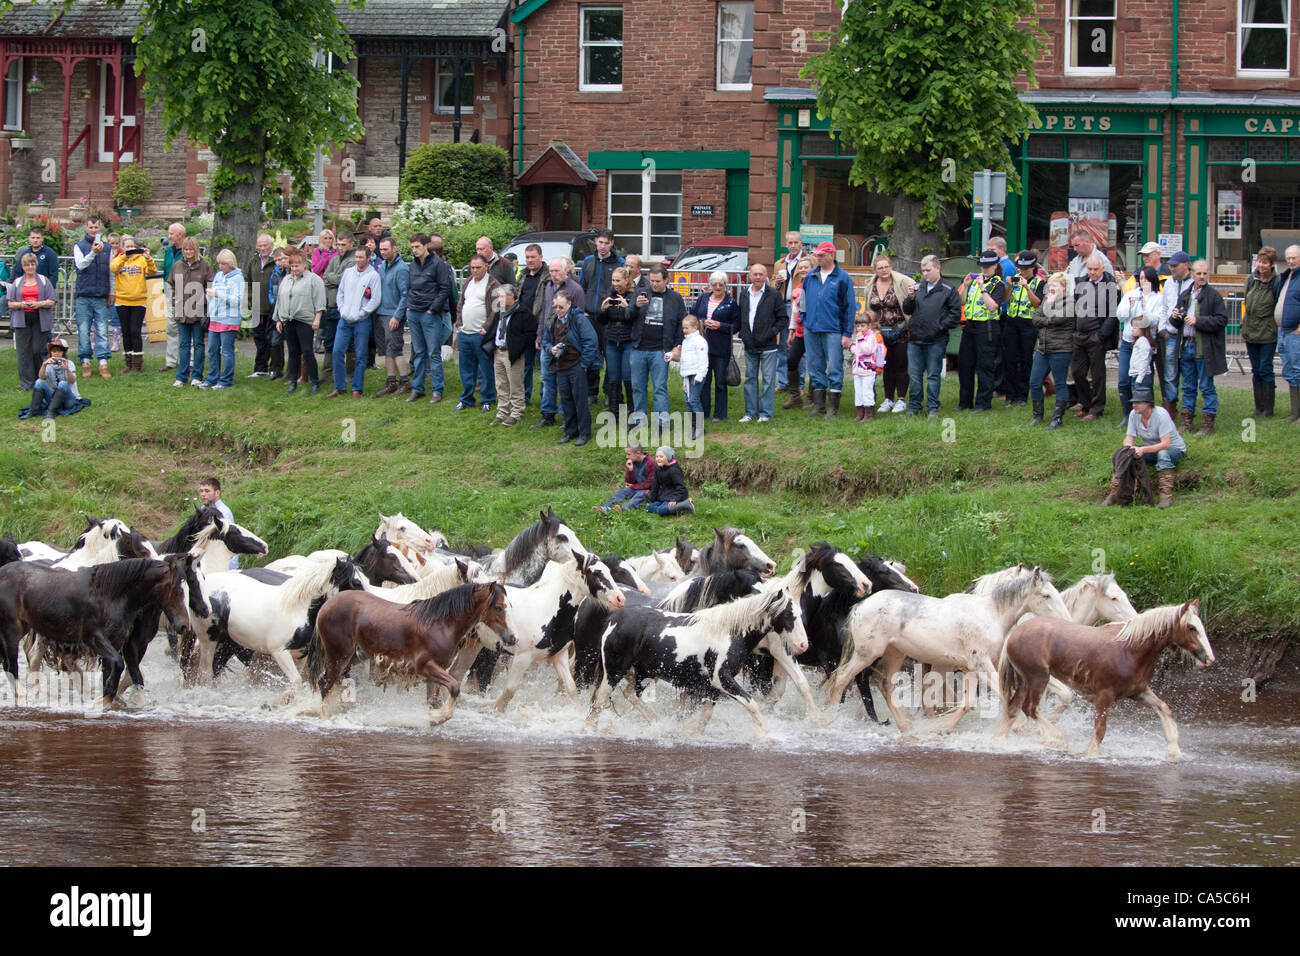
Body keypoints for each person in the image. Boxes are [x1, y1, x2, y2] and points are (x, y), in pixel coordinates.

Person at [1170, 259, 1228, 437]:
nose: (1202, 277)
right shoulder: (1186, 294)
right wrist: (1174, 316)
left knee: (1206, 386)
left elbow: (1221, 320)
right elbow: (1175, 322)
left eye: (1205, 274)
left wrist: (1198, 321)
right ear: (1192, 274)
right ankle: (1187, 423)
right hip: (1186, 344)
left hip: (1204, 348)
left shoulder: (1214, 296)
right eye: (1199, 273)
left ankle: (1207, 425)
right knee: (1187, 386)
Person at [801, 242, 856, 418]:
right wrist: (806, 321)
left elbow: (849, 308)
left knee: (834, 368)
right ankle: (819, 406)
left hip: (833, 330)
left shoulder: (843, 278)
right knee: (815, 367)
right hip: (812, 330)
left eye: (821, 255)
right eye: (817, 255)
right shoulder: (810, 276)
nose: (818, 257)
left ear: (832, 255)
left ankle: (833, 408)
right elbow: (802, 303)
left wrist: (847, 334)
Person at [903, 254, 961, 418]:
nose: (925, 273)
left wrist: (939, 326)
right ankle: (914, 407)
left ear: (937, 268)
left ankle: (933, 408)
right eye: (922, 270)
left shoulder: (949, 289)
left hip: (936, 339)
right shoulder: (918, 287)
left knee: (933, 375)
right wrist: (910, 298)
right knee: (914, 375)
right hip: (915, 338)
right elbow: (907, 309)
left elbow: (955, 315)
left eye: (928, 270)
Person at [1105, 395, 1186, 509]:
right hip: (1151, 448)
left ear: (1148, 404)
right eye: (1133, 402)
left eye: (1137, 402)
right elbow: (1129, 437)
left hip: (1173, 449)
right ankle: (1115, 493)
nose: (1134, 405)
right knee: (1125, 455)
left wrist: (1142, 449)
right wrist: (1129, 449)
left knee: (1163, 453)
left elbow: (1165, 444)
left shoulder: (1161, 415)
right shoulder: (1134, 414)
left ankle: (1165, 496)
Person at [530, 257, 584, 428]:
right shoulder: (548, 287)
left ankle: (566, 414)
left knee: (565, 382)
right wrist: (540, 336)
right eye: (551, 271)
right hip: (548, 341)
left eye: (556, 271)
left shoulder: (575, 290)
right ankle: (548, 414)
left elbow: (580, 318)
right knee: (547, 378)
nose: (553, 274)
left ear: (565, 270)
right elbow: (545, 313)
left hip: (566, 344)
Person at [543, 289, 599, 446]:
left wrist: (584, 364)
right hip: (561, 365)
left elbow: (591, 341)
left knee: (580, 400)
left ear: (569, 304)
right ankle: (570, 431)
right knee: (566, 399)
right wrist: (550, 349)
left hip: (576, 365)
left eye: (561, 307)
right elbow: (546, 340)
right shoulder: (553, 320)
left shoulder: (579, 319)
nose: (558, 310)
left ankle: (584, 433)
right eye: (555, 307)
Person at [404, 232, 454, 405]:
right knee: (418, 352)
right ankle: (417, 389)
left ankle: (437, 390)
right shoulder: (412, 265)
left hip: (429, 314)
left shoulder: (438, 264)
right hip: (414, 312)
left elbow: (444, 289)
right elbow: (408, 287)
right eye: (412, 247)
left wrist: (432, 310)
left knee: (433, 353)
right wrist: (409, 306)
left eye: (417, 246)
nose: (415, 250)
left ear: (426, 246)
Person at [735, 263, 787, 423]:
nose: (757, 277)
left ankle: (765, 413)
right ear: (750, 276)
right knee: (750, 379)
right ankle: (750, 413)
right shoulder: (744, 294)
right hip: (750, 345)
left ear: (766, 276)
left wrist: (771, 333)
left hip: (768, 345)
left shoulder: (774, 295)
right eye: (755, 274)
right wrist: (743, 334)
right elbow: (741, 316)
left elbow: (782, 318)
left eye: (761, 274)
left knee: (768, 380)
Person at [957, 250, 1008, 412]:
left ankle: (983, 402)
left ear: (994, 266)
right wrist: (965, 286)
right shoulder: (974, 281)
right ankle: (965, 401)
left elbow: (993, 306)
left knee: (985, 366)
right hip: (970, 326)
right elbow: (962, 301)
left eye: (987, 266)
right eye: (982, 266)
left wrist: (982, 288)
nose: (984, 269)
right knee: (965, 365)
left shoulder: (998, 284)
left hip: (987, 328)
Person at [1069, 252, 1117, 421]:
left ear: (1102, 268)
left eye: (1096, 269)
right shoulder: (1081, 283)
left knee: (1097, 375)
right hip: (1079, 335)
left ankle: (1096, 409)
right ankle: (1085, 402)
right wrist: (1074, 330)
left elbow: (1112, 314)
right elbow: (1074, 305)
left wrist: (1101, 335)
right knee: (1077, 372)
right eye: (1089, 269)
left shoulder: (1109, 285)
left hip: (1096, 335)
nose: (1092, 272)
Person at [1117, 266, 1166, 428]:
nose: (1143, 281)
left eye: (1146, 278)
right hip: (1128, 341)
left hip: (1145, 342)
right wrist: (1130, 305)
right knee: (1123, 380)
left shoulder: (1158, 298)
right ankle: (1126, 415)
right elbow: (1121, 315)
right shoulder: (1131, 294)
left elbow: (1153, 320)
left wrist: (1144, 306)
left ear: (1152, 280)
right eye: (1141, 278)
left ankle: (1144, 415)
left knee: (1141, 380)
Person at [331, 247, 384, 399]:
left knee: (361, 354)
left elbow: (375, 299)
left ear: (368, 258)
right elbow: (340, 292)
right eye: (356, 257)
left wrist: (363, 312)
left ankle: (357, 388)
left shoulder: (373, 276)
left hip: (362, 321)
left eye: (361, 257)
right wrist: (342, 309)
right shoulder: (348, 272)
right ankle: (339, 386)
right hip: (345, 318)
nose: (358, 260)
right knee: (337, 351)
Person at [579, 227, 623, 407]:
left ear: (612, 243)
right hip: (589, 316)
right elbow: (582, 287)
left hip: (610, 318)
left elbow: (623, 288)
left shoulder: (619, 262)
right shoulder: (588, 261)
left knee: (611, 357)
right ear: (595, 241)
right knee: (590, 354)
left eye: (606, 243)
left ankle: (609, 392)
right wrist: (582, 309)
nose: (603, 246)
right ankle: (591, 391)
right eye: (600, 242)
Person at [273, 248, 326, 395]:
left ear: (304, 265)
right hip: (289, 320)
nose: (294, 269)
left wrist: (317, 318)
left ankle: (314, 382)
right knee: (293, 353)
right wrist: (278, 318)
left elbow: (320, 301)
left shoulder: (313, 280)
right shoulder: (286, 280)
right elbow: (280, 300)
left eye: (297, 266)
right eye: (292, 266)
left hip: (305, 320)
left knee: (307, 351)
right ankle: (292, 382)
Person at [483, 284, 537, 426]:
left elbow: (531, 334)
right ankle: (502, 411)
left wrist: (518, 347)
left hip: (512, 353)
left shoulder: (523, 313)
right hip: (498, 352)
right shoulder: (500, 312)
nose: (499, 299)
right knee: (501, 383)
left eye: (501, 296)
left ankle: (517, 411)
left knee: (515, 384)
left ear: (511, 296)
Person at [866, 255, 914, 414]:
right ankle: (888, 399)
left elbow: (912, 301)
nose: (884, 270)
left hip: (901, 330)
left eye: (886, 267)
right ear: (875, 270)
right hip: (881, 333)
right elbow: (871, 309)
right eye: (880, 268)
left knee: (901, 365)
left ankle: (901, 399)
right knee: (885, 366)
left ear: (891, 267)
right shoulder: (870, 285)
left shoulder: (902, 281)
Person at [689, 270, 738, 422]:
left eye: (721, 285)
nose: (717, 287)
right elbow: (693, 315)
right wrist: (703, 322)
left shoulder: (731, 302)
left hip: (721, 347)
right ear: (710, 285)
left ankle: (720, 413)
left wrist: (720, 325)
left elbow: (736, 325)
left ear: (725, 286)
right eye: (714, 284)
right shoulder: (703, 298)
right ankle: (703, 411)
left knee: (720, 382)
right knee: (704, 380)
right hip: (702, 347)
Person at [1028, 272, 1075, 429]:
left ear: (1064, 287)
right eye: (1050, 286)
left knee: (1060, 384)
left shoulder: (1070, 302)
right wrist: (1046, 319)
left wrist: (1047, 317)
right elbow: (1035, 318)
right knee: (1034, 382)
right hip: (1042, 348)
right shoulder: (1047, 300)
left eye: (1054, 286)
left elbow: (1057, 319)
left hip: (1061, 349)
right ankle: (1038, 416)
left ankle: (1057, 419)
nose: (1051, 289)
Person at [455, 254, 500, 411]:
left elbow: (495, 310)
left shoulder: (493, 284)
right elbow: (461, 304)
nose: (474, 270)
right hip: (465, 333)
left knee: (486, 369)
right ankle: (466, 398)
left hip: (481, 335)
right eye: (472, 268)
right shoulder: (468, 282)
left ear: (486, 266)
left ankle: (488, 399)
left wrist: (485, 329)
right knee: (466, 369)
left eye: (478, 267)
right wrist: (459, 325)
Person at [167, 236, 214, 388]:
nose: (188, 252)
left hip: (199, 312)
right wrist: (175, 300)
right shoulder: (177, 265)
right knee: (184, 344)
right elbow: (170, 284)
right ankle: (181, 377)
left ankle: (197, 376)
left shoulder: (205, 265)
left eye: (191, 249)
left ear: (196, 249)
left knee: (199, 344)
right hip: (181, 312)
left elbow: (211, 286)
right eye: (185, 249)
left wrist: (204, 302)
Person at [72, 216, 113, 381]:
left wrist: (112, 291)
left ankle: (103, 362)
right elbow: (80, 265)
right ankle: (85, 361)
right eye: (91, 227)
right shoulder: (79, 246)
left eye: (96, 228)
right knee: (83, 329)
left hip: (101, 294)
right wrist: (92, 253)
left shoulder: (108, 247)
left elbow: (111, 272)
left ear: (100, 229)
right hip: (84, 294)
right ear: (86, 228)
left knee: (102, 330)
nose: (93, 230)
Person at [8, 253, 57, 390]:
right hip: (22, 319)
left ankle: (39, 380)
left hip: (40, 319)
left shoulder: (43, 280)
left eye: (32, 264)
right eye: (27, 265)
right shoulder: (17, 282)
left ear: (36, 265)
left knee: (37, 350)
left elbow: (52, 300)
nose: (30, 267)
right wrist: (22, 304)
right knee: (24, 353)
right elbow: (11, 303)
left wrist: (39, 304)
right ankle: (26, 384)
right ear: (23, 266)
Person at [1002, 251, 1044, 408]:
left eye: (1025, 269)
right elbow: (1005, 300)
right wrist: (1009, 287)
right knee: (1010, 358)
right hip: (1012, 321)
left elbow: (1036, 303)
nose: (1021, 271)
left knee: (1026, 359)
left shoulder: (1039, 283)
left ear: (1032, 268)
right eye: (1019, 268)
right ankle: (1010, 394)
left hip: (1028, 324)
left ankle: (1022, 395)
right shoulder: (1015, 279)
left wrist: (1026, 287)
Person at [109, 237, 156, 374]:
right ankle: (128, 363)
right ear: (123, 248)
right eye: (127, 246)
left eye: (132, 246)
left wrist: (148, 258)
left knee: (135, 331)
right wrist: (124, 257)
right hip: (122, 301)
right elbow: (113, 268)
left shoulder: (141, 259)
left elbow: (152, 271)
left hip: (138, 300)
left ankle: (137, 364)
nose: (130, 249)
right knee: (126, 331)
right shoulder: (119, 259)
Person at [370, 237, 410, 397]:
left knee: (396, 349)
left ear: (394, 248)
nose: (383, 252)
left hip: (393, 315)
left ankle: (405, 381)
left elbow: (405, 295)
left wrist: (397, 316)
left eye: (386, 249)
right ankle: (391, 381)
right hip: (381, 313)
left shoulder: (401, 269)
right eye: (381, 249)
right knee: (387, 350)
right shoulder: (382, 266)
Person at [1242, 245, 1279, 419]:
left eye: (1266, 263)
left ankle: (1269, 409)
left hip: (1267, 334)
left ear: (1271, 264)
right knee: (1256, 370)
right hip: (1251, 332)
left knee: (1265, 369)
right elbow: (1246, 302)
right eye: (1260, 262)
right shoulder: (1250, 280)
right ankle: (1259, 407)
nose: (1262, 266)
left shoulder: (1276, 282)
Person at [597, 266, 638, 421]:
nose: (615, 283)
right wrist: (602, 309)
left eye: (618, 280)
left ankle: (632, 410)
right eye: (613, 280)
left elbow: (636, 318)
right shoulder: (610, 294)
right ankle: (614, 410)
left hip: (628, 339)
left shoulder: (633, 295)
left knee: (628, 375)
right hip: (612, 338)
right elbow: (602, 321)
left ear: (626, 280)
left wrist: (628, 307)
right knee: (613, 376)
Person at [1158, 250, 1194, 414]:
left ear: (1186, 265)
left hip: (1187, 333)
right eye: (1171, 266)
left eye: (1175, 265)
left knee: (1187, 371)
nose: (1172, 268)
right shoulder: (1168, 284)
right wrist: (1163, 329)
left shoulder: (1193, 283)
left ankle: (1187, 407)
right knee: (1170, 372)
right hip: (1171, 333)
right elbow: (1164, 308)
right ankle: (1170, 407)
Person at [204, 249, 243, 390]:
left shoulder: (238, 278)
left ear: (230, 263)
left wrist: (218, 294)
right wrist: (208, 295)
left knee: (226, 351)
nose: (221, 267)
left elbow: (236, 300)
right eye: (219, 263)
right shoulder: (219, 275)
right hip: (215, 317)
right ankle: (212, 378)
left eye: (224, 264)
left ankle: (226, 379)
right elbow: (212, 294)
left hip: (229, 319)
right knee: (212, 349)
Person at [772, 230, 805, 390]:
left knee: (800, 346)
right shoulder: (780, 263)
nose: (793, 245)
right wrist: (777, 282)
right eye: (790, 243)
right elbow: (772, 286)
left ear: (801, 244)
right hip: (782, 306)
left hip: (800, 306)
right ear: (786, 244)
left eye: (796, 242)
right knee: (782, 346)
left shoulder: (808, 261)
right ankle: (783, 382)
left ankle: (801, 383)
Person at [781, 255, 816, 410]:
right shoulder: (796, 290)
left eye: (805, 267)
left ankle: (812, 398)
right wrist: (791, 331)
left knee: (815, 364)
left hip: (814, 331)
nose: (802, 270)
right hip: (800, 332)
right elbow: (795, 312)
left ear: (812, 269)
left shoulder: (817, 287)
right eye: (800, 268)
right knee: (791, 360)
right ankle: (795, 396)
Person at [518, 243, 548, 408]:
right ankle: (524, 397)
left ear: (540, 257)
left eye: (533, 257)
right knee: (525, 366)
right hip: (525, 327)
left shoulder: (547, 276)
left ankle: (545, 399)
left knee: (544, 367)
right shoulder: (523, 275)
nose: (530, 261)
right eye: (527, 257)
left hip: (541, 326)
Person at [320, 232, 353, 378]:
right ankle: (327, 372)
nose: (340, 248)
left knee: (348, 340)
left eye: (343, 245)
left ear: (351, 244)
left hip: (346, 307)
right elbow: (325, 277)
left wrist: (333, 279)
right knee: (329, 339)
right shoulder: (334, 260)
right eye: (338, 245)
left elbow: (343, 280)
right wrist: (335, 279)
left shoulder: (353, 260)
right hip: (331, 305)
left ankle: (350, 372)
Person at [245, 234, 278, 378]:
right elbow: (247, 281)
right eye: (260, 245)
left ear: (271, 245)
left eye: (265, 245)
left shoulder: (275, 260)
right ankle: (260, 367)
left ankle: (274, 367)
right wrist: (252, 298)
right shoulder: (253, 261)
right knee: (259, 338)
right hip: (257, 306)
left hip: (272, 307)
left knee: (272, 339)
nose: (262, 248)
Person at [198, 476, 246, 569]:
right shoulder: (202, 509)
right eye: (201, 491)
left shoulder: (223, 512)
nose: (203, 494)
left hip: (224, 563)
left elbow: (226, 541)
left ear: (217, 493)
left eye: (207, 491)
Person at [1275, 244, 1300, 422]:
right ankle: (1294, 413)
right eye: (1288, 258)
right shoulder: (1287, 276)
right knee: (1290, 371)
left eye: (1294, 257)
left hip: (1295, 333)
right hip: (1283, 332)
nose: (1290, 261)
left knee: (1298, 371)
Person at [594, 441, 656, 513]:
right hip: (635, 487)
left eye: (629, 454)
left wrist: (633, 486)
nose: (627, 457)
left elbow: (650, 483)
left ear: (638, 453)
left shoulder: (651, 463)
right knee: (620, 492)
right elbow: (629, 482)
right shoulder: (632, 461)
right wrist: (630, 470)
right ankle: (605, 507)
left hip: (647, 490)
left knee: (640, 496)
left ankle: (622, 509)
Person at [159, 221, 187, 371]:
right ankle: (171, 361)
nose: (169, 236)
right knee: (171, 327)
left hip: (186, 292)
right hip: (170, 291)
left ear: (180, 235)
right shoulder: (169, 251)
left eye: (171, 234)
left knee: (187, 326)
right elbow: (165, 271)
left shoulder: (188, 251)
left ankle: (189, 361)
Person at [28, 337, 77, 420]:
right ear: (50, 352)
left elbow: (72, 381)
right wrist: (44, 365)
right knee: (39, 382)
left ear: (63, 352)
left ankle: (51, 412)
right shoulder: (48, 364)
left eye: (59, 351)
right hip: (54, 396)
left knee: (63, 383)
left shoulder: (69, 363)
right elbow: (41, 377)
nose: (56, 353)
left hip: (69, 398)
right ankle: (33, 411)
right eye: (54, 351)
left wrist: (67, 369)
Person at [850, 312, 886, 421]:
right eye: (858, 326)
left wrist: (860, 340)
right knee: (858, 392)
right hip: (858, 370)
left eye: (863, 326)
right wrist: (851, 347)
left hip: (868, 370)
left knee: (867, 391)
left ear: (869, 325)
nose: (860, 328)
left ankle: (868, 413)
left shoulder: (871, 337)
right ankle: (860, 412)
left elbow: (867, 350)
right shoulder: (859, 336)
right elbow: (859, 351)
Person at [679, 314, 709, 439]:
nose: (684, 330)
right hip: (686, 374)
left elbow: (703, 360)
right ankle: (692, 426)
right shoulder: (685, 341)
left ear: (695, 327)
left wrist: (700, 375)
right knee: (688, 401)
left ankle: (700, 427)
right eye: (683, 328)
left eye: (686, 328)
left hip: (696, 374)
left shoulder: (700, 341)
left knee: (694, 400)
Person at [645, 446, 695, 516]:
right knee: (648, 507)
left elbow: (681, 487)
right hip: (664, 496)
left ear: (668, 457)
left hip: (675, 496)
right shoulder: (658, 469)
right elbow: (655, 485)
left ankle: (685, 504)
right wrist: (652, 500)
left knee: (661, 510)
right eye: (657, 456)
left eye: (661, 457)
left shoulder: (674, 470)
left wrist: (674, 499)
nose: (658, 459)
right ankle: (668, 508)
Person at [12, 226, 60, 291]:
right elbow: (17, 273)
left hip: (43, 290)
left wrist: (47, 289)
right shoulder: (24, 254)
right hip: (25, 290)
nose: (35, 240)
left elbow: (54, 275)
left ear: (42, 238)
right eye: (33, 238)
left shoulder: (50, 254)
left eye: (38, 238)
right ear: (29, 238)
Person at [1127, 313, 1156, 401]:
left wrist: (1140, 377)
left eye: (1135, 327)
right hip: (1136, 374)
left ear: (1142, 329)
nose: (1133, 330)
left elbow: (1144, 360)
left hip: (1141, 377)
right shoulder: (1139, 341)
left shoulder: (1143, 342)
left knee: (1141, 400)